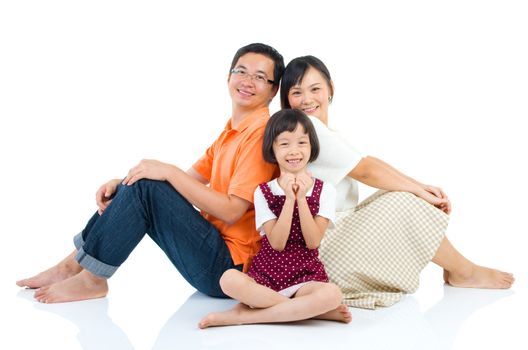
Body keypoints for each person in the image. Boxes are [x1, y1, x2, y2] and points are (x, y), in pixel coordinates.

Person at [16, 43, 285, 303]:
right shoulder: (231, 133)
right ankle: (72, 265)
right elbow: (185, 182)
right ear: (228, 77)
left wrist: (164, 172)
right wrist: (123, 185)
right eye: (241, 71)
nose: (248, 81)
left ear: (273, 92)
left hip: (230, 269)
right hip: (214, 254)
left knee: (148, 184)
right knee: (143, 182)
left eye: (260, 77)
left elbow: (232, 211)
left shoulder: (261, 134)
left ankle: (93, 278)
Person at [280, 55, 515, 309]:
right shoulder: (304, 130)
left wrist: (418, 187)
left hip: (331, 234)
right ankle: (464, 271)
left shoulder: (322, 131)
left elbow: (366, 161)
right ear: (287, 99)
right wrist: (418, 190)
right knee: (404, 201)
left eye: (315, 89)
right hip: (319, 247)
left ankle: (458, 269)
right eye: (297, 92)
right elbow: (366, 170)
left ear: (330, 90)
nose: (307, 99)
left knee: (404, 197)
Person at [199, 109, 351, 329]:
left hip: (305, 277)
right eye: (284, 144)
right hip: (266, 275)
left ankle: (242, 317)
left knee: (332, 294)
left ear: (311, 146)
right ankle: (310, 312)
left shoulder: (325, 190)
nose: (294, 151)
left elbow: (313, 242)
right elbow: (278, 243)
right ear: (272, 148)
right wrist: (289, 199)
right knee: (228, 280)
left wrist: (301, 199)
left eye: (301, 143)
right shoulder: (263, 192)